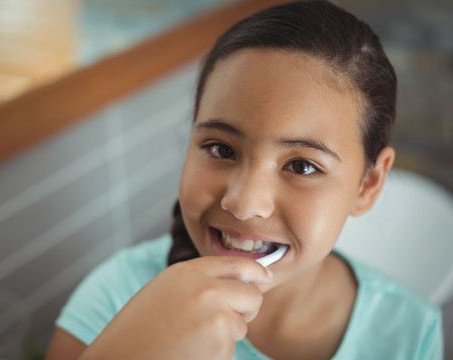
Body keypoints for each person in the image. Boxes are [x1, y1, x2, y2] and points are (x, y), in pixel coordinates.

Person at [46, 1, 444, 359]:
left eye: (302, 166)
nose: (243, 203)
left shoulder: (409, 331)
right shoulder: (115, 297)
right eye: (221, 149)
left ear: (368, 185)